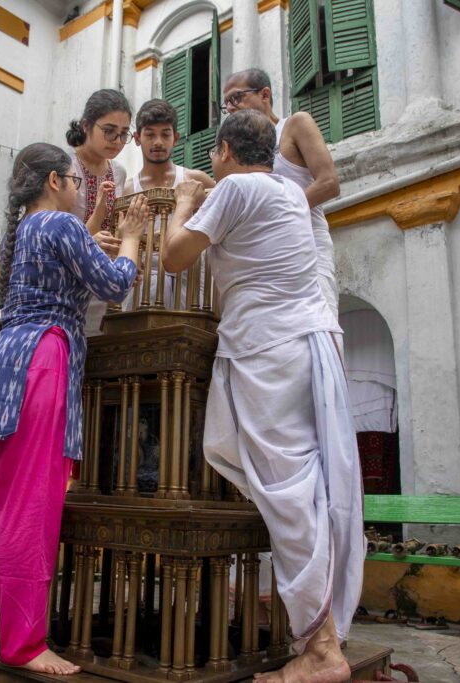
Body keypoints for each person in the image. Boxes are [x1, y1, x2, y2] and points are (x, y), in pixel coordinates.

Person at [0, 143, 149, 676]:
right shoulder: (60, 225)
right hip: (40, 361)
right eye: (74, 180)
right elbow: (114, 283)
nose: (77, 189)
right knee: (28, 504)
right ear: (54, 182)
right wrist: (133, 237)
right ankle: (23, 644)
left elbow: (69, 255)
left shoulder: (21, 232)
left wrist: (96, 222)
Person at [161, 111, 364, 683]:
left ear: (226, 150)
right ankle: (317, 631)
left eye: (214, 155)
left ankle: (322, 650)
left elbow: (174, 257)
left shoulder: (240, 189)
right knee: (302, 489)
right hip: (302, 344)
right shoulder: (289, 192)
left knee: (288, 494)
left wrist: (183, 203)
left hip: (267, 350)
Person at [222, 68, 341, 323]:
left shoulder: (295, 125)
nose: (230, 108)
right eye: (226, 104)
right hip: (262, 260)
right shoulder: (239, 154)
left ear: (265, 95)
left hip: (307, 249)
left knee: (319, 325)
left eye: (236, 98)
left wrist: (276, 213)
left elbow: (329, 183)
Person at [125, 98, 215, 308]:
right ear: (137, 138)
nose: (158, 142)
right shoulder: (129, 188)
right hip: (142, 287)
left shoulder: (195, 179)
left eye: (165, 134)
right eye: (150, 134)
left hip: (189, 282)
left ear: (175, 138)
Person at [65, 89, 133, 335]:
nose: (117, 141)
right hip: (64, 280)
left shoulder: (119, 173)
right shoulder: (64, 166)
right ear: (86, 126)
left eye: (123, 134)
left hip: (100, 283)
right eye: (109, 131)